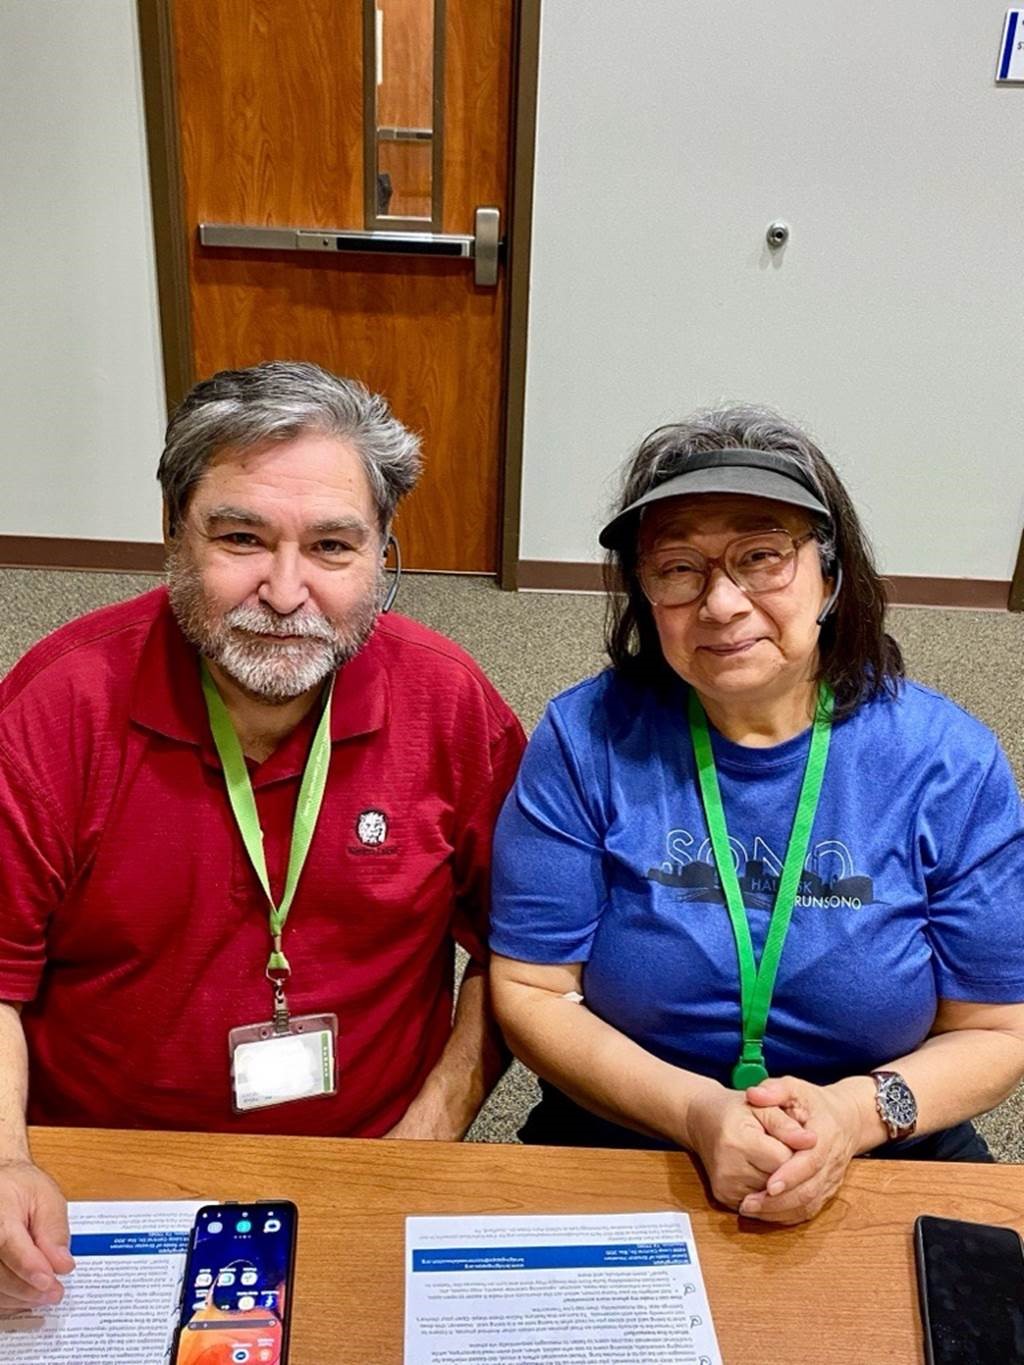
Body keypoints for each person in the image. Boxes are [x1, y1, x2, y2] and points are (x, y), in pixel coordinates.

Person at [0, 361, 525, 1310]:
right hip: (100, 1169)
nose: (286, 592)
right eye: (242, 537)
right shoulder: (56, 705)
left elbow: (517, 954)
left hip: (371, 1157)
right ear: (172, 532)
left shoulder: (451, 706)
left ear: (383, 554)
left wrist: (426, 1139)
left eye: (332, 546)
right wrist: (4, 1159)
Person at [490, 404, 1024, 1226]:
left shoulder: (947, 761)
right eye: (678, 567)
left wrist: (851, 1115)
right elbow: (531, 988)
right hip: (628, 1129)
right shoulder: (583, 736)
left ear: (832, 573)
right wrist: (696, 1112)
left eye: (762, 556)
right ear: (644, 590)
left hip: (886, 1136)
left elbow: (995, 1029)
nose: (722, 603)